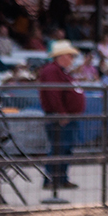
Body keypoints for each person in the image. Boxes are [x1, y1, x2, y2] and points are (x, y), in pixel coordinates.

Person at [38, 40, 86, 190]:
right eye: (69, 56)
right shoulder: (52, 71)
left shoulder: (59, 71)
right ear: (62, 56)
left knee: (64, 148)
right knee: (59, 147)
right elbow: (54, 94)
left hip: (66, 115)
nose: (71, 59)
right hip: (60, 116)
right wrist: (61, 113)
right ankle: (52, 179)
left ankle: (61, 178)